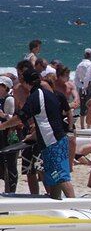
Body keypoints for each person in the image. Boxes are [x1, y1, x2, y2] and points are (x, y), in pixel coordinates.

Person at [0, 70, 75, 199]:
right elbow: (48, 120)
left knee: (61, 176)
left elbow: (20, 117)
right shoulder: (49, 95)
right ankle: (56, 202)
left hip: (52, 142)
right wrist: (34, 135)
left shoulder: (35, 96)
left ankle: (75, 207)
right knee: (54, 176)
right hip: (57, 139)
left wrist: (2, 126)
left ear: (25, 83)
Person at [13, 60, 41, 194]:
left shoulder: (42, 87)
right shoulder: (17, 89)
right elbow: (17, 111)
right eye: (18, 74)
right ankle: (34, 196)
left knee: (43, 167)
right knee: (28, 168)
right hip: (26, 129)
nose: (20, 77)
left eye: (22, 74)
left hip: (41, 129)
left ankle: (51, 196)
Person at [0, 76, 18, 192]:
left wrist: (3, 115)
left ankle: (10, 191)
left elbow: (12, 118)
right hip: (2, 133)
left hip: (7, 134)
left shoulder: (9, 99)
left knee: (9, 163)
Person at [74, 48, 91, 129]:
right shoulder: (90, 65)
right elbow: (88, 76)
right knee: (90, 105)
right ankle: (88, 126)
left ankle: (82, 126)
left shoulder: (79, 64)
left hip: (82, 84)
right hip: (90, 85)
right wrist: (85, 86)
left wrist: (81, 86)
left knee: (83, 104)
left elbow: (76, 78)